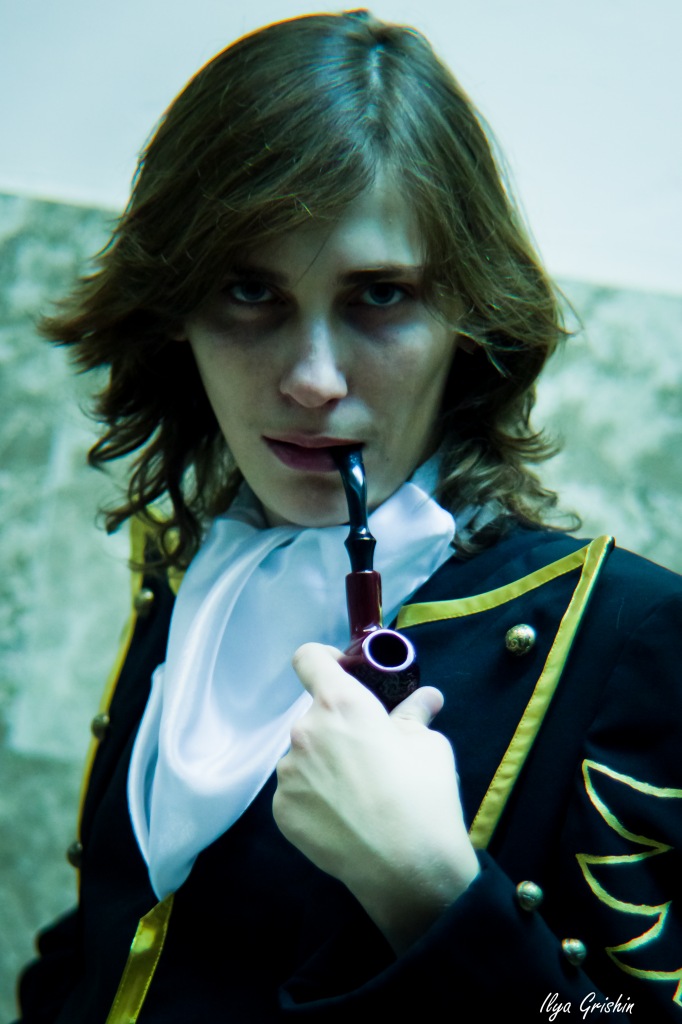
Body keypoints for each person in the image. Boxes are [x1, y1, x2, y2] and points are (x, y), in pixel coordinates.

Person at [15, 10, 681, 1022]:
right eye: (250, 291)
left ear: (467, 320)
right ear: (174, 312)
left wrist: (432, 892)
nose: (313, 380)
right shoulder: (194, 573)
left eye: (379, 295)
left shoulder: (628, 637)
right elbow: (100, 947)